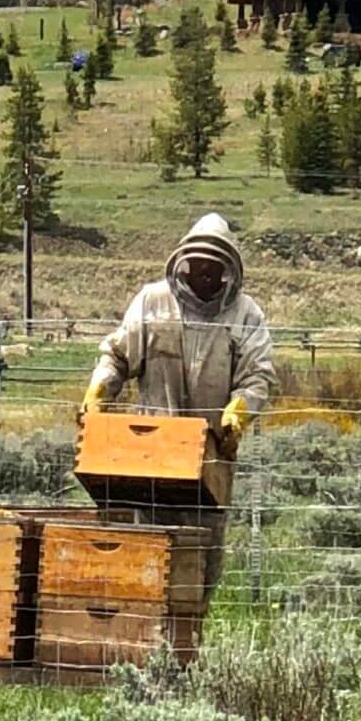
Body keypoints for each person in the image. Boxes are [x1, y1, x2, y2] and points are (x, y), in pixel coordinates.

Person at [80, 213, 275, 601]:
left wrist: (240, 409)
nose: (204, 276)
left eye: (213, 271)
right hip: (147, 461)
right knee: (140, 566)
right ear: (184, 264)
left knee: (197, 575)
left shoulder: (246, 315)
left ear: (227, 272)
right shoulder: (152, 302)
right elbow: (117, 356)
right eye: (198, 267)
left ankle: (187, 649)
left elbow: (258, 376)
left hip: (211, 462)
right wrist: (99, 392)